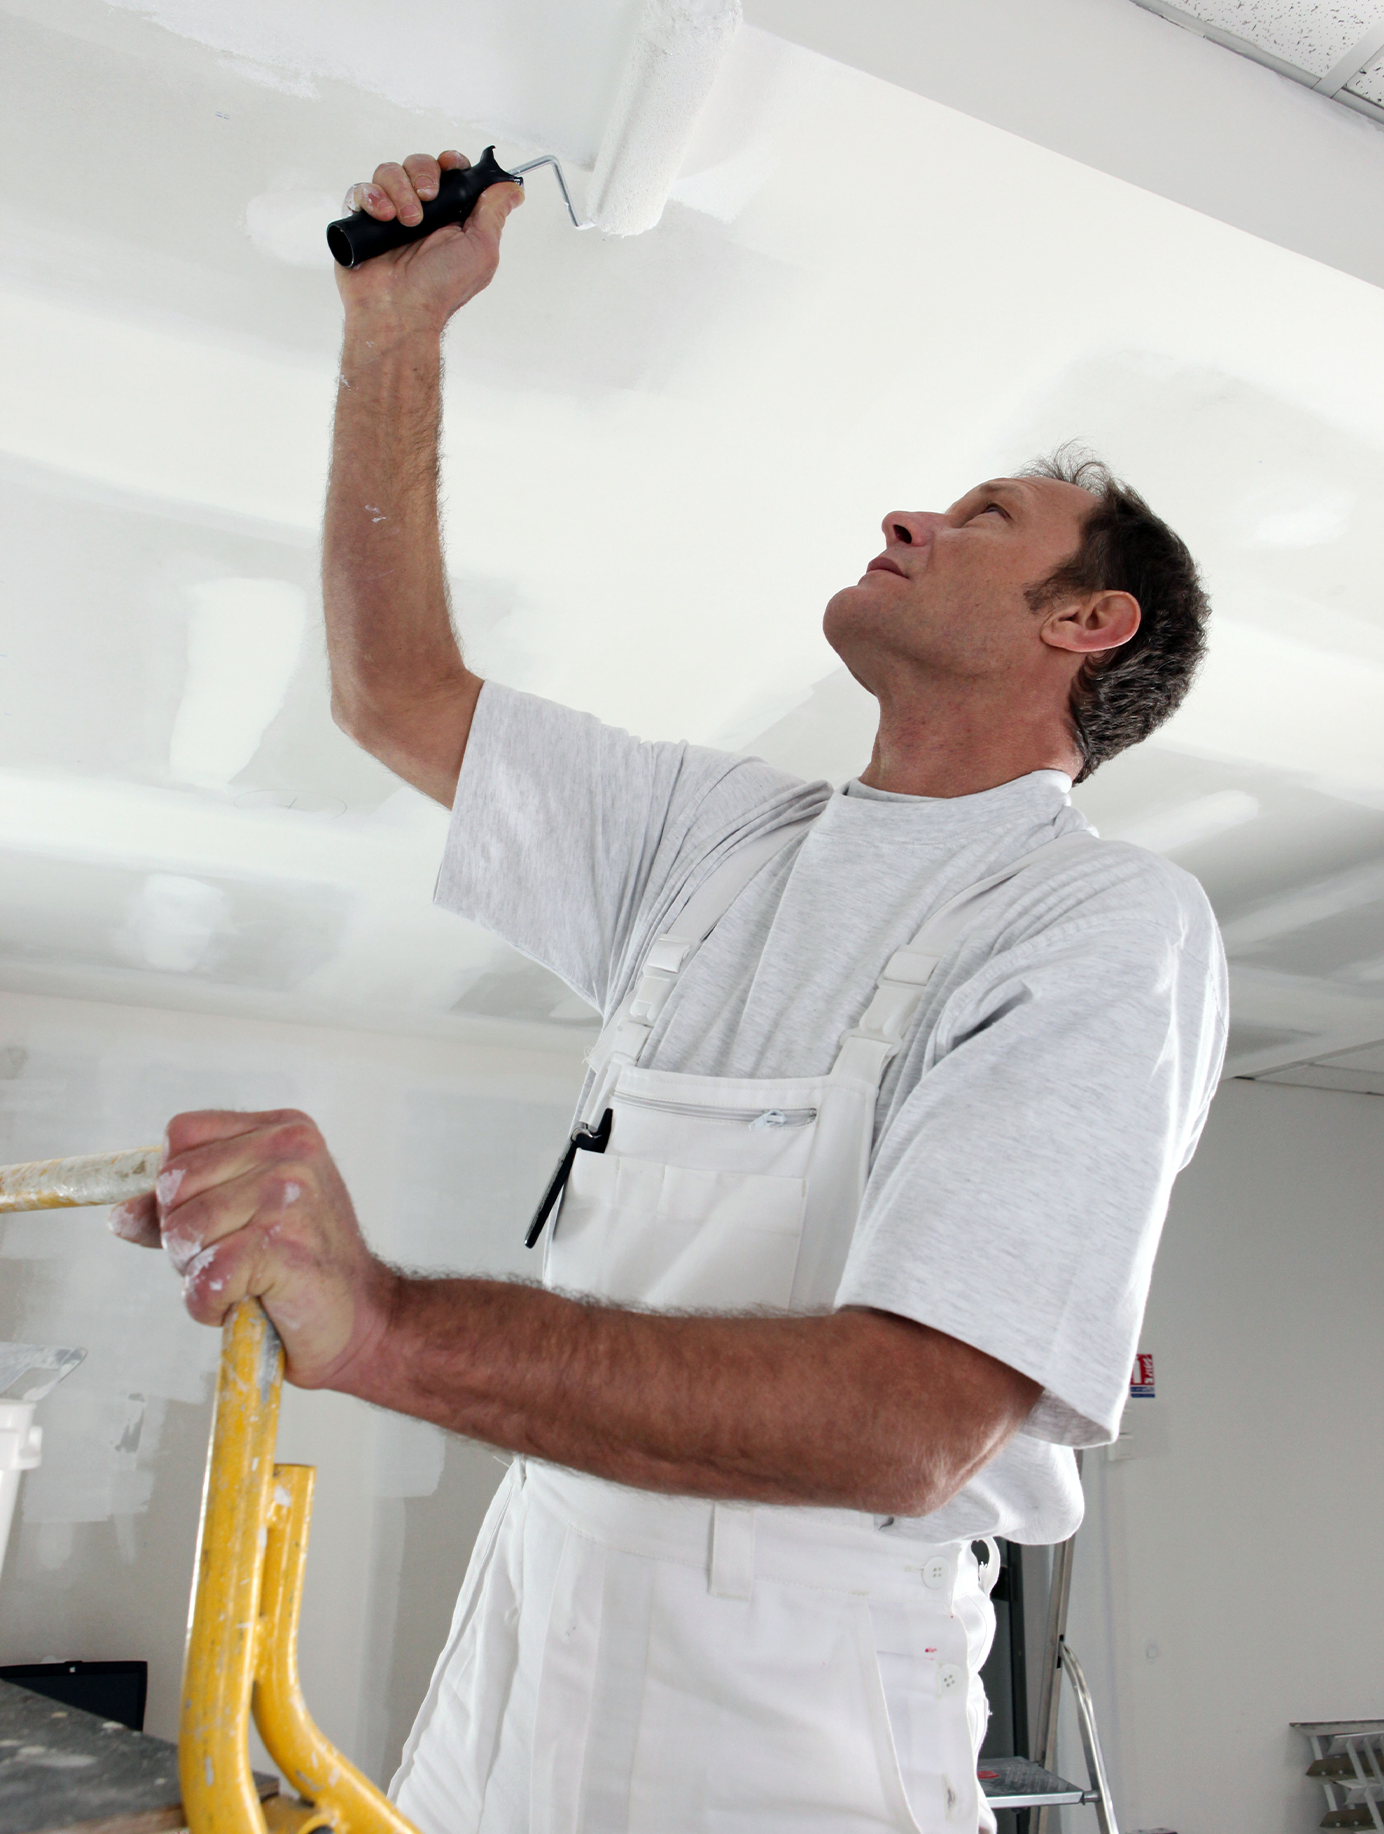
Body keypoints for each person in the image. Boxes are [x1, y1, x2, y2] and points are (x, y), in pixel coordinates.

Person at [112, 150, 1228, 1833]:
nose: (908, 517)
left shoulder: (1093, 924)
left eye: (984, 517)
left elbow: (908, 1421)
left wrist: (392, 1323)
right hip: (521, 1640)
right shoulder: (719, 841)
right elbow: (395, 689)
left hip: (789, 1728)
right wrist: (397, 332)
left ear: (1090, 618)